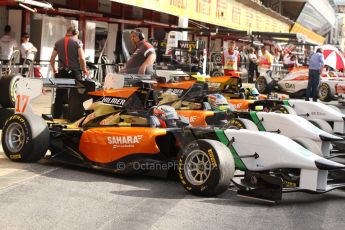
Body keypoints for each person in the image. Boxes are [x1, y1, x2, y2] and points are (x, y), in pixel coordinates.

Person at [49, 26, 89, 119]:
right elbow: (82, 58)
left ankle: (57, 117)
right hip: (75, 72)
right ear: (75, 33)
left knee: (59, 95)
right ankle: (76, 116)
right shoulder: (77, 42)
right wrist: (84, 69)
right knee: (77, 95)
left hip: (62, 71)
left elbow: (52, 59)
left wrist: (55, 70)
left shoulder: (58, 42)